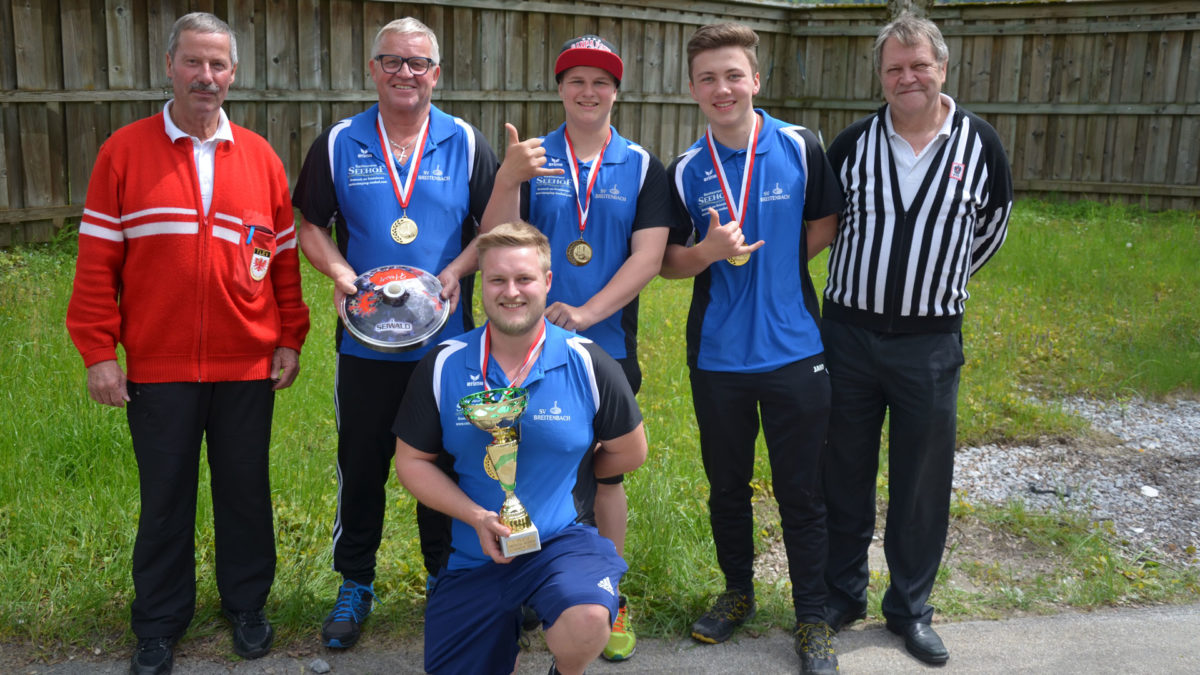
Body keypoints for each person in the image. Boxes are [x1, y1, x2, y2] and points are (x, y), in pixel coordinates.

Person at [64, 12, 309, 675]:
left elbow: (282, 260)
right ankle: (159, 623)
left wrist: (290, 335)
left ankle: (247, 605)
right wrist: (99, 352)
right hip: (160, 365)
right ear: (169, 65)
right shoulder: (124, 151)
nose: (207, 77)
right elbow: (95, 266)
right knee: (165, 495)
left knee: (244, 490)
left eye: (219, 65)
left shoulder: (259, 156)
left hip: (245, 364)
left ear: (234, 74)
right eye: (194, 63)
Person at [292, 17, 498, 649]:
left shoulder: (466, 141)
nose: (405, 73)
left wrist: (459, 270)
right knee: (362, 464)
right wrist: (335, 268)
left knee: (445, 462)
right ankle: (356, 581)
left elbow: (495, 225)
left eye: (417, 63)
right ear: (373, 70)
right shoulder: (337, 142)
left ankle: (445, 579)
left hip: (446, 345)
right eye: (392, 62)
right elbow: (309, 223)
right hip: (366, 341)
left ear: (436, 73)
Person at [819, 13, 1012, 666]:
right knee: (843, 469)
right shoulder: (850, 145)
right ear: (881, 76)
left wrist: (933, 284)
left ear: (942, 68)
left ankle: (909, 607)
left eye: (918, 65)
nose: (907, 77)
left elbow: (989, 231)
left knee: (922, 481)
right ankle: (843, 595)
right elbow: (826, 225)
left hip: (930, 344)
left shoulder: (980, 145)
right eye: (895, 68)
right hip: (846, 334)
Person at [479, 34, 671, 661]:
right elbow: (495, 238)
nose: (589, 92)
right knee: (527, 471)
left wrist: (587, 313)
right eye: (576, 80)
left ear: (617, 91)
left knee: (606, 477)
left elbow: (648, 257)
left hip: (607, 349)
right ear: (559, 89)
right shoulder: (533, 157)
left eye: (602, 81)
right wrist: (509, 177)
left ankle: (609, 596)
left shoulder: (641, 165)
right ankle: (528, 590)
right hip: (526, 347)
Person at [661, 22, 843, 675]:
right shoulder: (684, 170)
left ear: (755, 80)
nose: (722, 87)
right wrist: (707, 252)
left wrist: (783, 270)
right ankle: (738, 591)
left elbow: (826, 218)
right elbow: (667, 262)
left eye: (733, 74)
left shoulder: (800, 145)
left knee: (803, 490)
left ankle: (814, 616)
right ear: (692, 89)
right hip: (718, 359)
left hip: (797, 351)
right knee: (727, 487)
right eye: (708, 77)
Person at [392, 221, 647, 675]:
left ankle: (564, 669)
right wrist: (476, 516)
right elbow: (411, 461)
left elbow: (631, 450)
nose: (512, 292)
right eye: (497, 280)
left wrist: (582, 476)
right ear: (481, 287)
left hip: (561, 541)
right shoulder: (444, 364)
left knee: (588, 620)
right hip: (475, 553)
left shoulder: (588, 361)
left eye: (524, 278)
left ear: (548, 282)